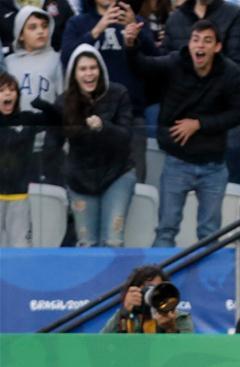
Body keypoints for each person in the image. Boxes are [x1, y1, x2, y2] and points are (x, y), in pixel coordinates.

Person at [124, 19, 240, 247]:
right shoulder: (175, 62)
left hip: (213, 165)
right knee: (166, 229)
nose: (200, 46)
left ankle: (207, 282)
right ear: (189, 44)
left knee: (209, 232)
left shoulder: (230, 73)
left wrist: (199, 124)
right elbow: (142, 66)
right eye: (195, 40)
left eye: (207, 41)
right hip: (177, 161)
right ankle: (160, 280)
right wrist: (131, 44)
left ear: (217, 47)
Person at [60, 0, 159, 183]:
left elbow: (156, 62)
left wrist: (137, 34)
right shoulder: (78, 23)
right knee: (88, 182)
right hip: (88, 116)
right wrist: (96, 30)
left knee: (134, 183)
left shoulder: (135, 20)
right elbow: (67, 58)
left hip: (130, 116)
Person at [51, 44, 136, 247]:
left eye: (93, 68)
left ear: (101, 70)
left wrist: (103, 126)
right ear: (73, 74)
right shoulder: (63, 101)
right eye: (83, 69)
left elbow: (126, 137)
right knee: (87, 243)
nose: (89, 73)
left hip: (117, 173)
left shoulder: (118, 93)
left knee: (113, 241)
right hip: (80, 179)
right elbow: (52, 145)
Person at [165, 0, 240, 184]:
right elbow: (166, 65)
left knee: (230, 184)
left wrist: (201, 120)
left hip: (223, 117)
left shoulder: (236, 15)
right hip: (182, 115)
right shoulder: (176, 18)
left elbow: (236, 66)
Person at [4, 6, 64, 182]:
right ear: (20, 34)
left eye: (44, 26)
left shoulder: (57, 60)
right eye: (33, 27)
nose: (40, 31)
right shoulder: (8, 63)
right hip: (14, 145)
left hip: (46, 146)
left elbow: (62, 101)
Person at [0, 71, 54, 247]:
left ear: (17, 94)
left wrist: (42, 104)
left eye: (12, 89)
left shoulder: (27, 119)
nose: (7, 94)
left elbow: (56, 119)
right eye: (2, 90)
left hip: (20, 196)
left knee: (20, 247)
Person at [101, 264, 194, 333]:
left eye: (157, 288)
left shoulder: (177, 317)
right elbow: (101, 344)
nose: (153, 293)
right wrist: (124, 312)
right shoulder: (126, 317)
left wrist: (170, 328)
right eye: (147, 288)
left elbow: (186, 352)